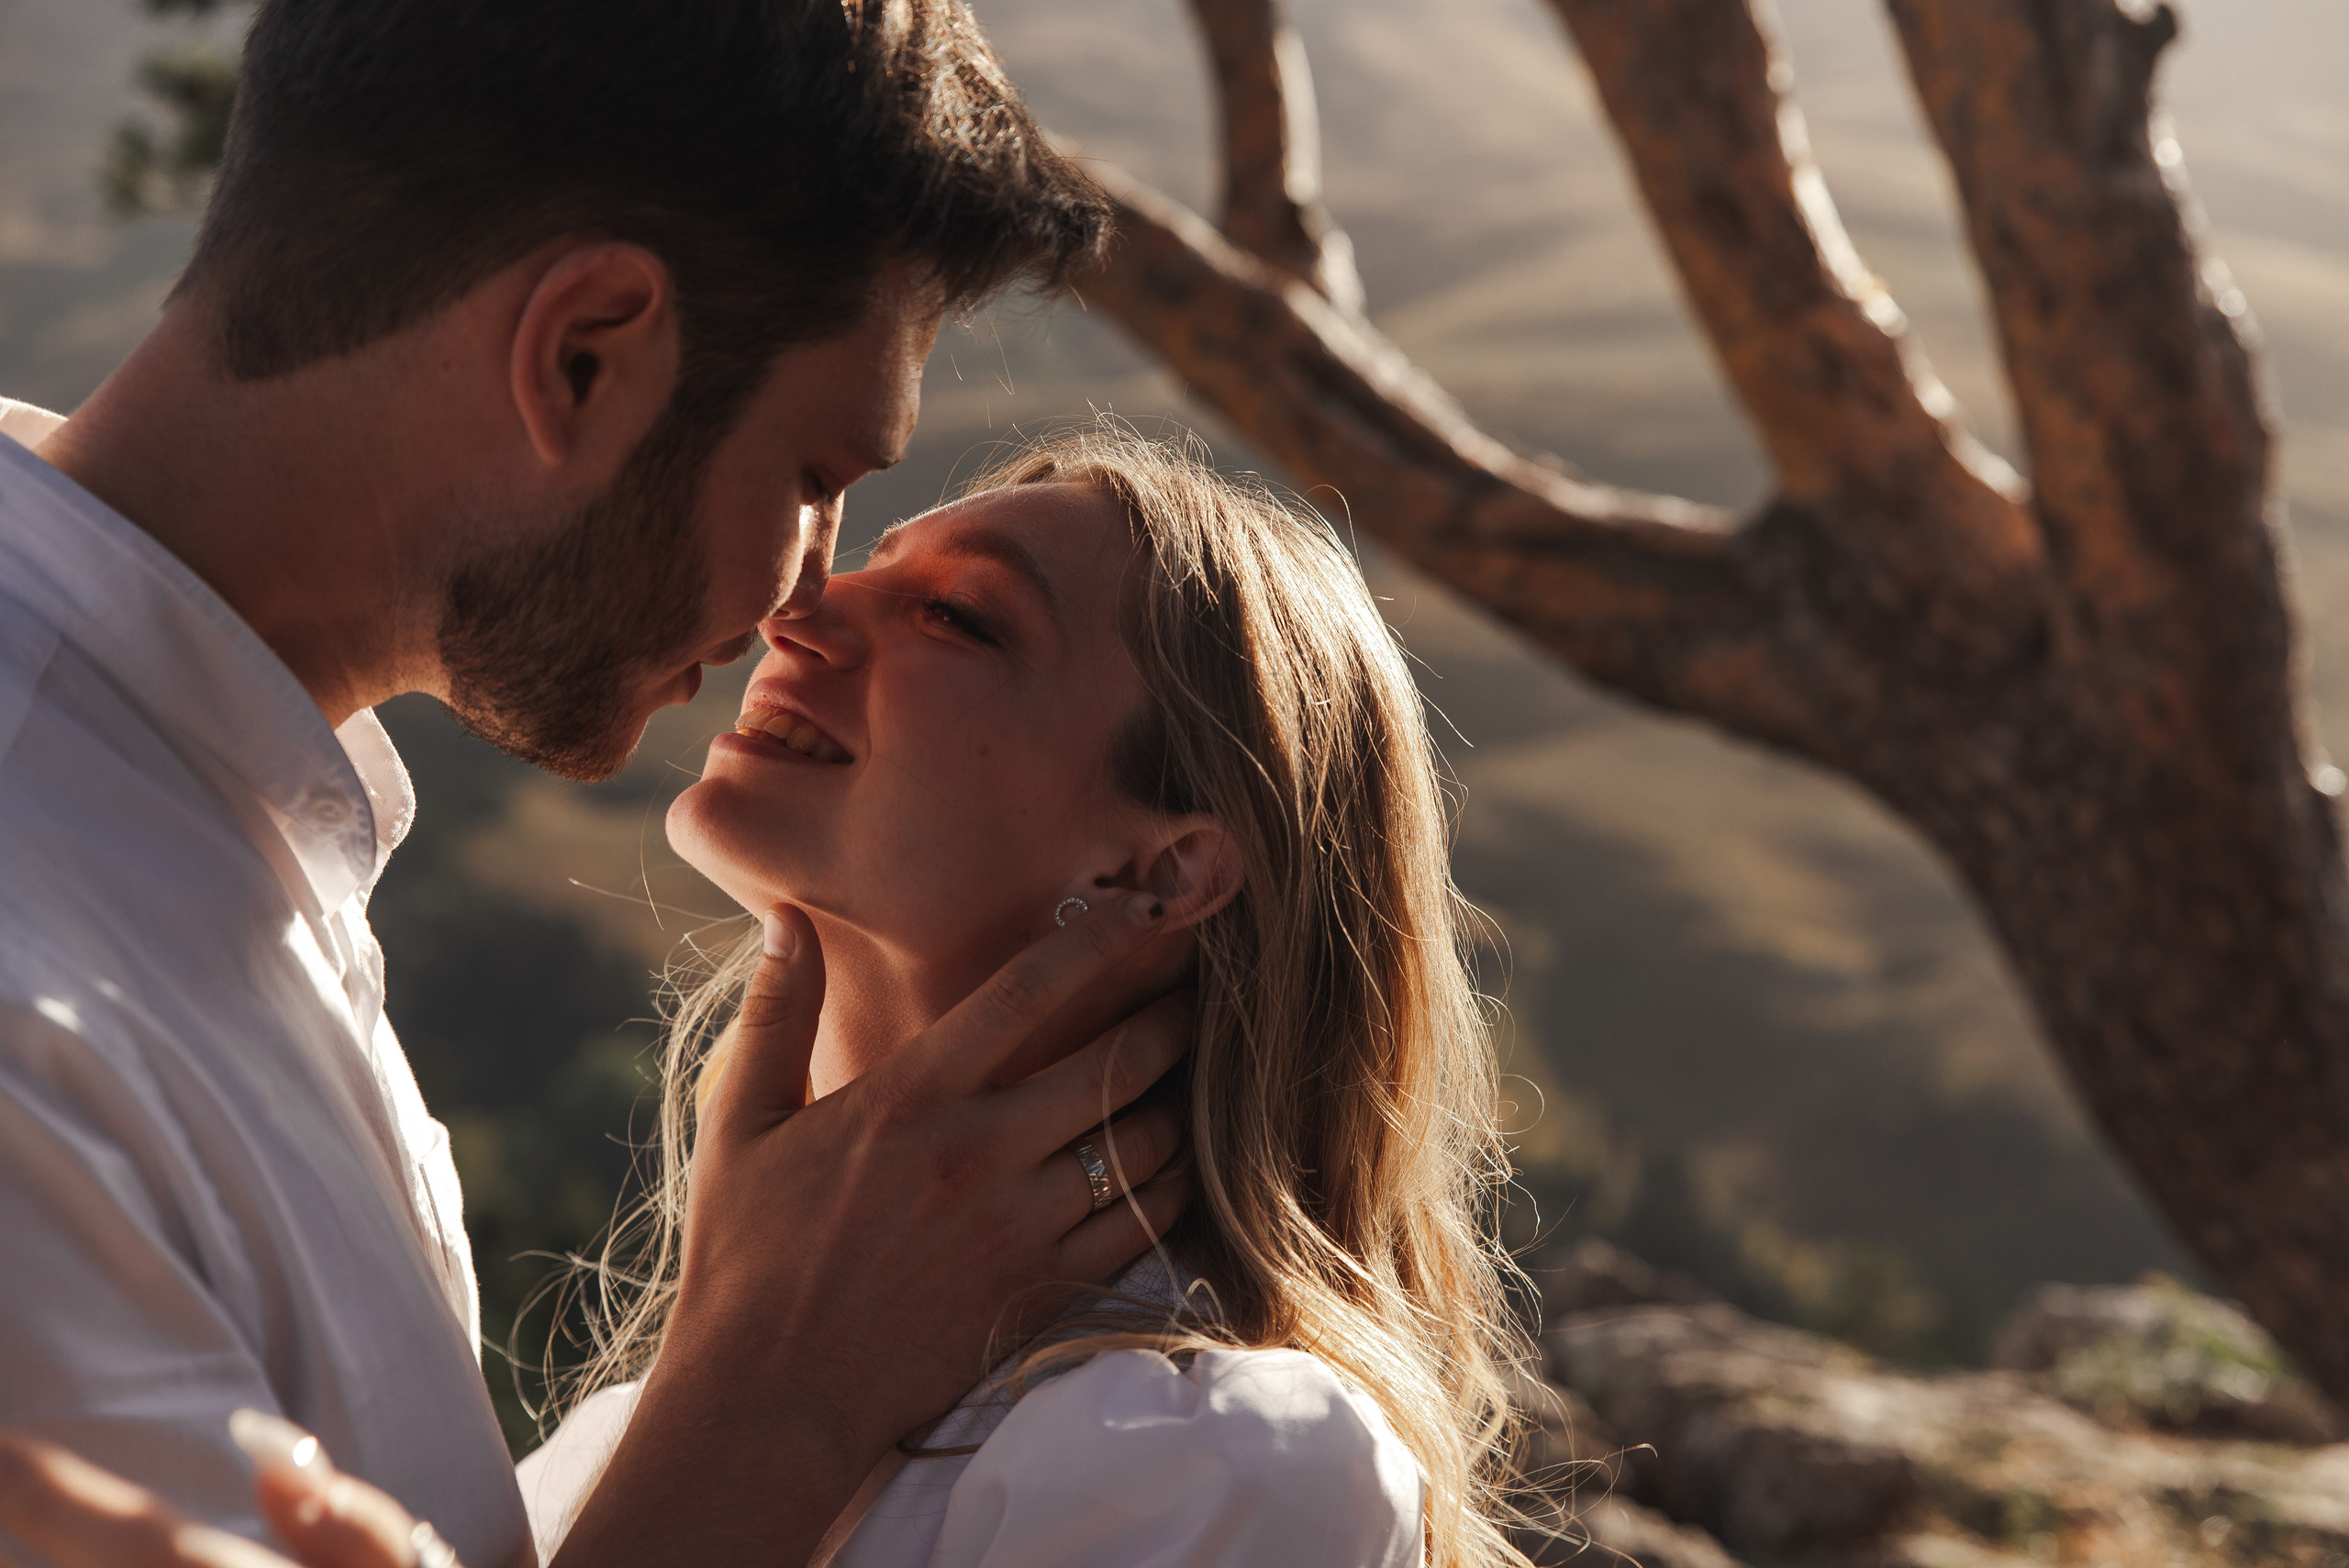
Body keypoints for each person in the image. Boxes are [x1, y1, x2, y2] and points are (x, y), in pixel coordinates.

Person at [0, 2, 1202, 1565]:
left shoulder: (194, 826)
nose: (802, 593)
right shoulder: (42, 986)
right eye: (816, 475)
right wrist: (777, 1401)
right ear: (584, 355)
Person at [514, 428, 1538, 1568]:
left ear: (1159, 873)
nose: (791, 613)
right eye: (869, 569)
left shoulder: (1213, 1468)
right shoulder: (629, 1432)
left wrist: (773, 1409)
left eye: (955, 615)